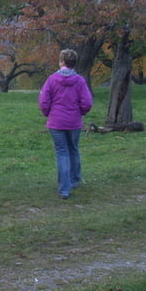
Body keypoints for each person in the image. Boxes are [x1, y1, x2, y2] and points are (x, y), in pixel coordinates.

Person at [39, 49, 93, 199]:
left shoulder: (51, 80)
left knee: (62, 153)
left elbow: (44, 101)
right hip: (74, 122)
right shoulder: (80, 81)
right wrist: (81, 113)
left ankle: (64, 189)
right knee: (73, 149)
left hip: (56, 122)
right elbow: (87, 102)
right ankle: (74, 180)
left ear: (61, 61)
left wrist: (47, 113)